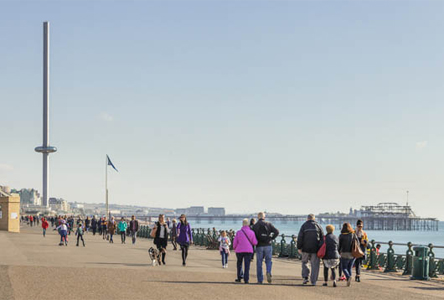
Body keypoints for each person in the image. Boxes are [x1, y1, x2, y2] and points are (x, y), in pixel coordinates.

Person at [297, 214, 324, 286]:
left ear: (307, 219)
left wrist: (299, 247)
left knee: (304, 262)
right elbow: (322, 239)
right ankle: (313, 281)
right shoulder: (319, 226)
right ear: (314, 219)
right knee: (315, 265)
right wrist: (320, 248)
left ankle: (305, 277)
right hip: (315, 249)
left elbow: (300, 237)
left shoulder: (304, 226)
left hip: (305, 248)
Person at [252, 212, 279, 284]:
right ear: (264, 217)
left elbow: (252, 236)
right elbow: (277, 231)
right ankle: (268, 271)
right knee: (268, 260)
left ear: (258, 217)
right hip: (268, 245)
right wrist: (271, 238)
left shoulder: (255, 225)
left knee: (259, 262)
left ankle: (260, 280)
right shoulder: (268, 224)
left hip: (259, 245)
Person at [233, 219, 258, 284]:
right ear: (249, 225)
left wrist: (234, 247)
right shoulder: (252, 232)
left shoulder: (239, 232)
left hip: (239, 250)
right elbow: (255, 242)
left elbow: (235, 242)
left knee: (239, 264)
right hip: (249, 250)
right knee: (247, 265)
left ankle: (239, 277)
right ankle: (246, 279)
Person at [338, 222, 355, 287]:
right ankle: (349, 280)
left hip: (344, 253)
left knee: (344, 267)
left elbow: (339, 245)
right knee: (349, 268)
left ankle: (348, 277)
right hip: (352, 254)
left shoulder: (341, 235)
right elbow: (357, 243)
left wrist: (338, 251)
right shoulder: (353, 235)